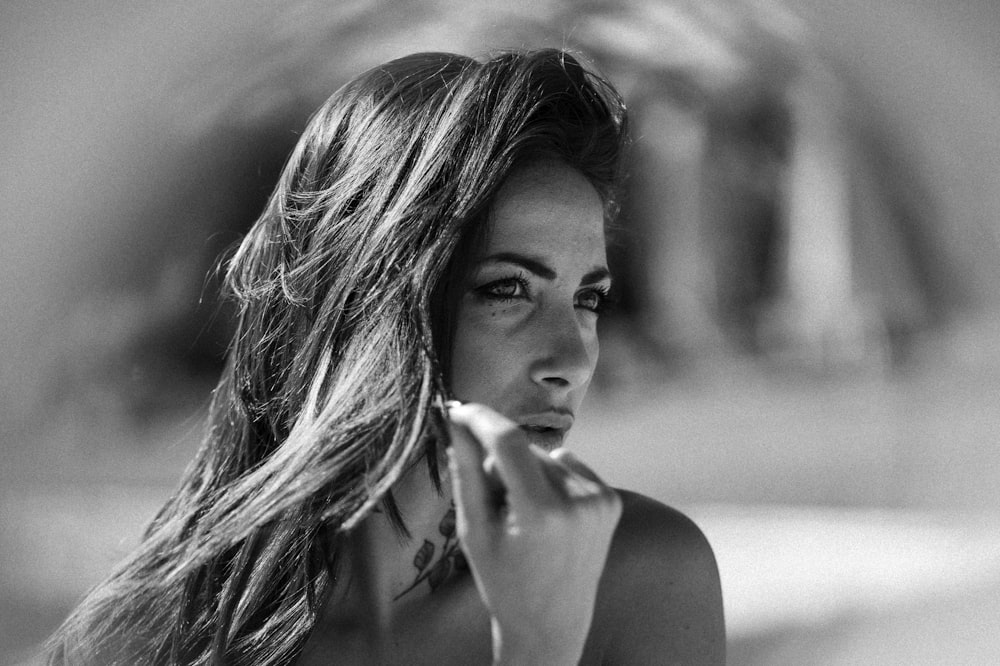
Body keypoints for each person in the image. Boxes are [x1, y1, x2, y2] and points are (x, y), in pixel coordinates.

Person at [48, 49, 724, 665]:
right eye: (507, 289)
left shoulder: (642, 576)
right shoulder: (156, 627)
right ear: (370, 300)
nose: (573, 360)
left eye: (588, 298)